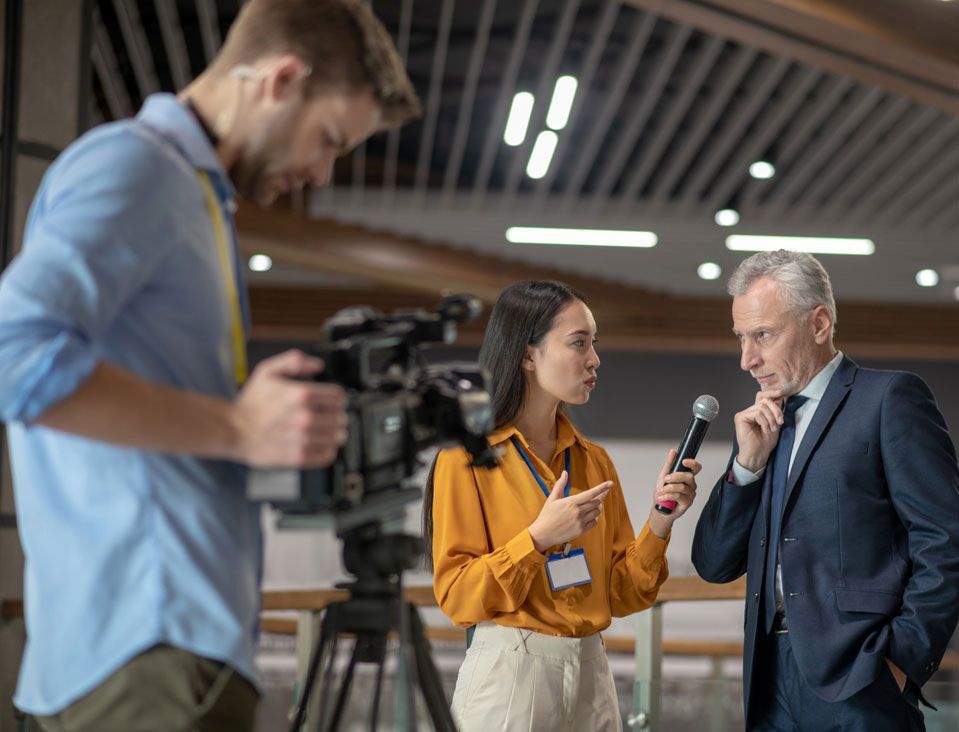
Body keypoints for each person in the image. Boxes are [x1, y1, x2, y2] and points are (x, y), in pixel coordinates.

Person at [0, 1, 420, 729]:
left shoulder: (194, 196)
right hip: (149, 647)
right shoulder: (140, 167)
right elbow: (13, 354)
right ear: (281, 80)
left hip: (161, 642)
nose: (321, 172)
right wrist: (234, 426)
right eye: (328, 139)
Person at [692, 250, 959, 730]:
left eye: (763, 336)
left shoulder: (889, 399)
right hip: (768, 676)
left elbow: (945, 539)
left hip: (862, 676)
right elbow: (713, 564)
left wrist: (900, 660)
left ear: (818, 324)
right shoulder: (762, 427)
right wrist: (746, 467)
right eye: (741, 338)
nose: (746, 359)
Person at [424, 280, 700, 731]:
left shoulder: (593, 460)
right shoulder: (465, 458)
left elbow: (622, 593)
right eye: (579, 343)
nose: (594, 359)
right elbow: (457, 597)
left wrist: (660, 521)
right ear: (528, 355)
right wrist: (536, 540)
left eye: (594, 343)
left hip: (593, 670)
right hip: (513, 673)